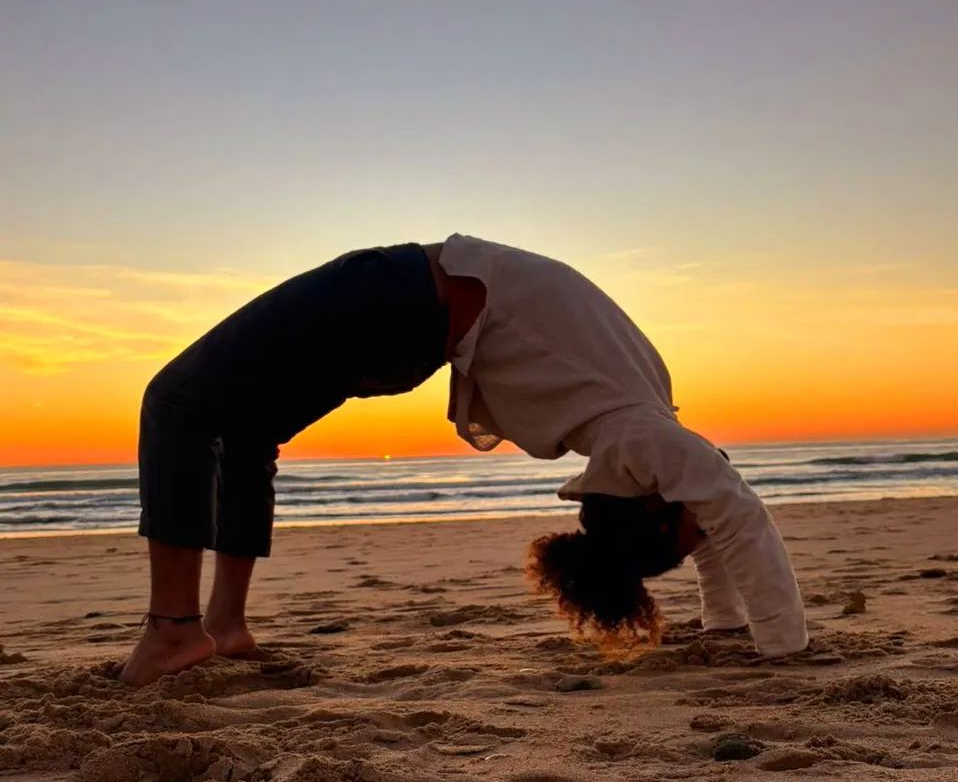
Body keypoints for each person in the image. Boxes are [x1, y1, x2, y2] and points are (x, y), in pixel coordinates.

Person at [121, 234, 807, 686]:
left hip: (403, 296)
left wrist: (782, 649)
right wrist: (725, 623)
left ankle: (177, 632)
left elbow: (736, 520)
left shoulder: (641, 436)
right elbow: (720, 523)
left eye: (689, 525)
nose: (704, 524)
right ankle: (223, 627)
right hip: (416, 328)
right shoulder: (647, 432)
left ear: (653, 503)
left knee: (176, 402)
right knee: (245, 431)